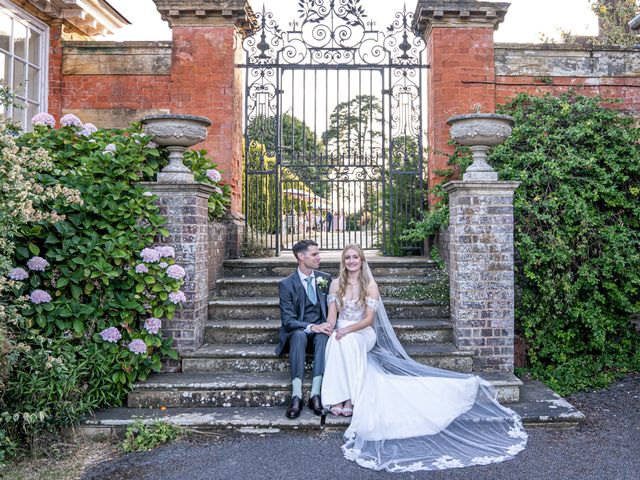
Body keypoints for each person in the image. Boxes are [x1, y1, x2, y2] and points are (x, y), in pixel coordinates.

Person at [321, 244, 528, 472]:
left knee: (347, 341)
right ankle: (339, 397)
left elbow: (369, 320)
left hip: (362, 332)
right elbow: (332, 318)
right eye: (347, 257)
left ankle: (349, 399)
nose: (351, 261)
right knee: (334, 340)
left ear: (361, 260)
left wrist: (348, 331)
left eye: (355, 257)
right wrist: (326, 327)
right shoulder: (335, 284)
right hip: (342, 331)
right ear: (343, 260)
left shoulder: (370, 286)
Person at [276, 239, 333, 419]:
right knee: (300, 335)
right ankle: (296, 396)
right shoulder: (286, 284)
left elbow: (333, 309)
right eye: (314, 254)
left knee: (323, 336)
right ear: (301, 257)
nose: (319, 258)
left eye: (318, 254)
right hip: (298, 335)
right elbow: (288, 321)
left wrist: (324, 327)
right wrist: (312, 327)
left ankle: (315, 395)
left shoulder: (325, 279)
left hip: (319, 337)